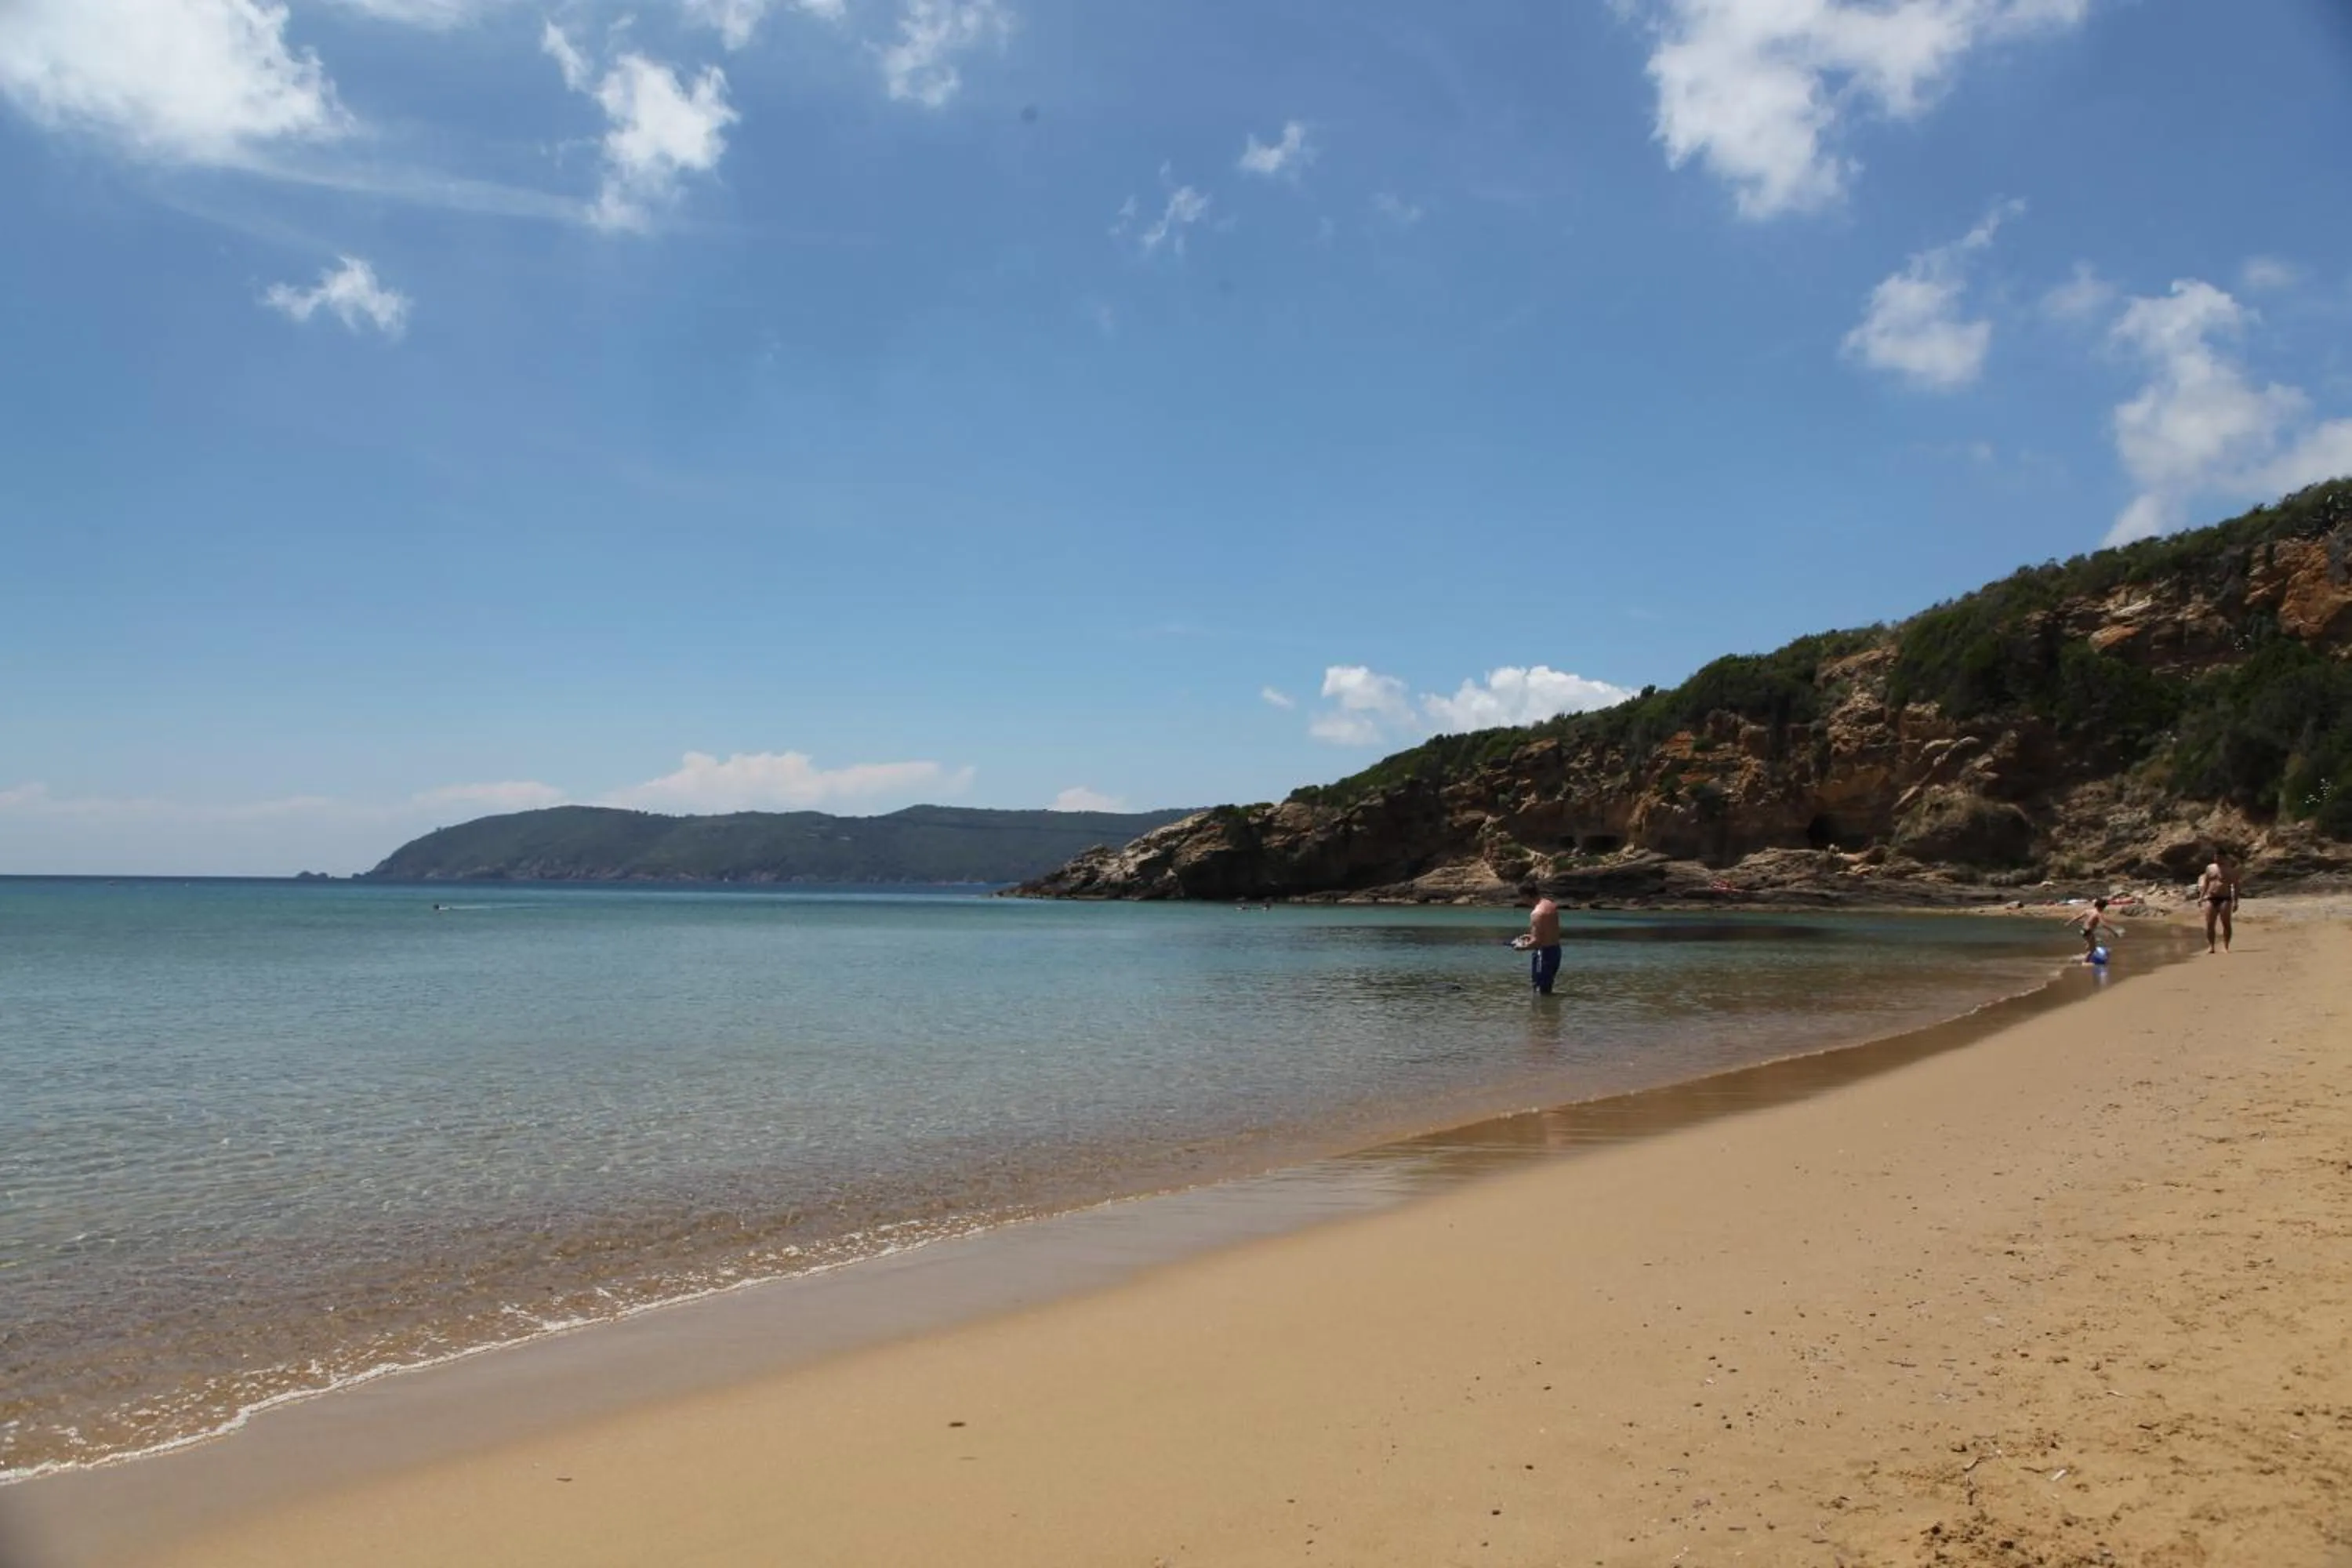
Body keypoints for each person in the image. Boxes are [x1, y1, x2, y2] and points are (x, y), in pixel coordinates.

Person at [1512, 885, 1563, 996]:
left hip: (1543, 954)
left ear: (1526, 896)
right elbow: (1548, 931)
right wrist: (1530, 936)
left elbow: (1537, 942)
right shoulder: (1550, 905)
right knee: (1547, 987)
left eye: (1522, 897)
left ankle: (1541, 1012)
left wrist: (1521, 947)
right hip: (1555, 950)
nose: (1522, 901)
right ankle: (1550, 1011)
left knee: (1540, 991)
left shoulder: (1537, 913)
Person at [2197, 852, 2238, 954]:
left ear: (2224, 857)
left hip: (2225, 898)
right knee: (2210, 924)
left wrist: (2236, 901)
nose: (2216, 858)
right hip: (2211, 898)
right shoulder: (2210, 868)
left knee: (2226, 923)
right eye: (2215, 856)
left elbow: (2236, 886)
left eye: (2219, 856)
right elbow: (2206, 883)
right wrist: (2201, 897)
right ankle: (2211, 947)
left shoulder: (2230, 870)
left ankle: (2226, 946)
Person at [2070, 896, 2117, 960]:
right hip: (2088, 932)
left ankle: (2087, 949)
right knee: (2093, 950)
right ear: (2102, 907)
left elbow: (2078, 917)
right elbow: (2103, 925)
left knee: (2091, 944)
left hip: (2083, 930)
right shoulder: (2098, 914)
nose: (2104, 909)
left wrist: (2069, 922)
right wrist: (2113, 932)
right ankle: (2085, 962)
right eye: (2104, 907)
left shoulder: (2089, 911)